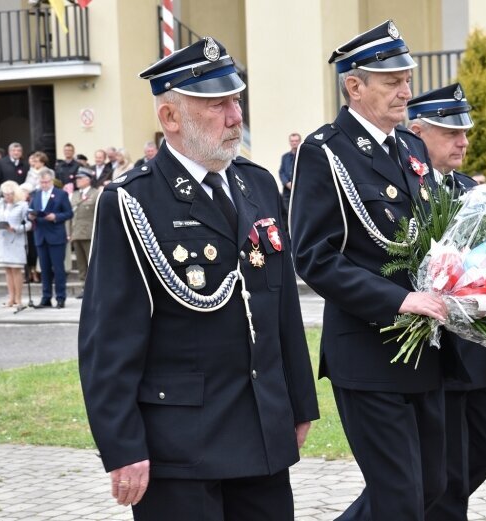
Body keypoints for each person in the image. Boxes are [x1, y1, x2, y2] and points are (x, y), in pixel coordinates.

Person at [78, 36, 319, 521]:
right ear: (170, 119)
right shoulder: (133, 201)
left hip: (261, 429)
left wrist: (297, 401)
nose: (235, 116)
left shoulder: (258, 184)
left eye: (236, 100)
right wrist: (123, 446)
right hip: (181, 444)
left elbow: (281, 306)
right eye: (217, 105)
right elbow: (109, 337)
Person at [291, 20, 454, 520]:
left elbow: (431, 242)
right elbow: (313, 255)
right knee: (401, 497)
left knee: (431, 487)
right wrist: (398, 300)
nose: (406, 90)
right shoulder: (324, 152)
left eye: (407, 79)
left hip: (424, 349)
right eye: (392, 81)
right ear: (354, 86)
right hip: (367, 353)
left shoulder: (409, 149)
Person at [407, 83, 486, 521]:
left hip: (483, 350)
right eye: (451, 132)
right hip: (438, 350)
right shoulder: (405, 188)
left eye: (465, 131)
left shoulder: (472, 189)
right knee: (445, 475)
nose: (463, 141)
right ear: (416, 131)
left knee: (485, 452)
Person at [28, 170, 73, 309]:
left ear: (52, 181)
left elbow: (69, 213)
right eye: (41, 182)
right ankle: (46, 297)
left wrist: (56, 217)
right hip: (40, 235)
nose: (44, 184)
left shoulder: (61, 194)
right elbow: (30, 210)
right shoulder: (35, 194)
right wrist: (30, 216)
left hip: (56, 236)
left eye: (46, 182)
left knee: (58, 269)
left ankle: (60, 298)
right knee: (44, 269)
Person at [0, 181, 31, 310]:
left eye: (9, 194)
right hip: (2, 239)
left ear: (15, 193)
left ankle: (18, 298)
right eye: (5, 194)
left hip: (16, 240)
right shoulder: (0, 203)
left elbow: (28, 224)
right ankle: (11, 297)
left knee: (16, 269)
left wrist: (16, 228)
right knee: (7, 269)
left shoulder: (23, 205)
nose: (7, 197)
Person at [68, 167, 100, 297]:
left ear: (88, 179)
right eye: (77, 178)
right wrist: (70, 232)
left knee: (92, 263)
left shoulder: (95, 193)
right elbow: (72, 215)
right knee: (81, 265)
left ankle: (96, 288)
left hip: (90, 233)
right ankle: (84, 288)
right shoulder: (75, 194)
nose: (77, 181)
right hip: (77, 233)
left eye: (80, 178)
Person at [277, 132, 300, 227]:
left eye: (296, 141)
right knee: (287, 215)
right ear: (290, 142)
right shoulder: (285, 157)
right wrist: (287, 183)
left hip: (299, 191)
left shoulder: (303, 156)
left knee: (298, 214)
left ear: (299, 141)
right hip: (287, 193)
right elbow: (281, 172)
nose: (294, 143)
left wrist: (296, 184)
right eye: (292, 141)